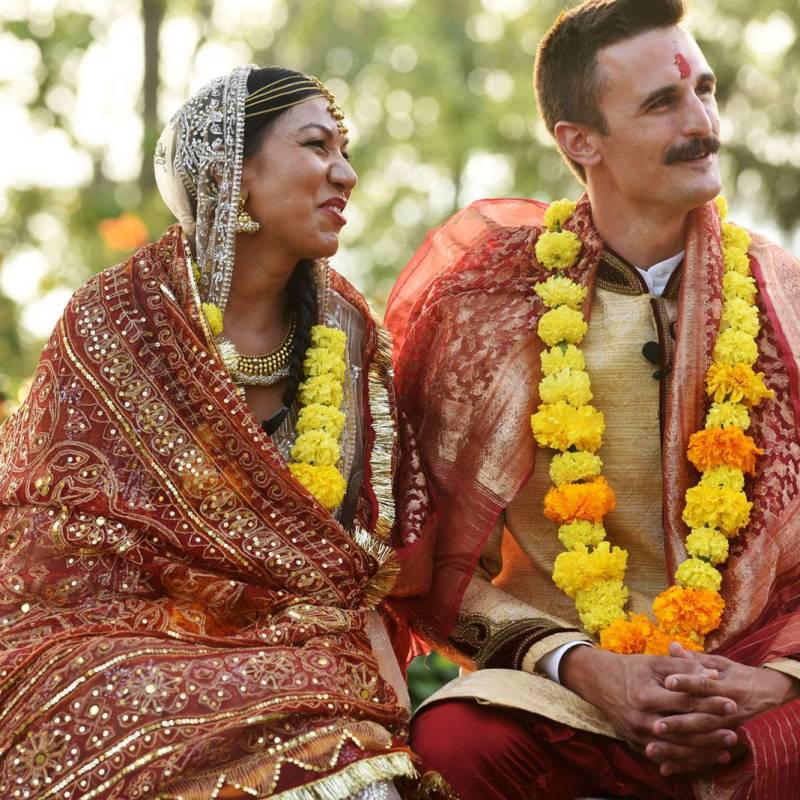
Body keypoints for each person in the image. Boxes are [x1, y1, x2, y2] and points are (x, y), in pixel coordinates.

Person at [385, 2, 800, 798]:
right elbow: (423, 556)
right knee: (456, 743)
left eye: (705, 91)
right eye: (662, 103)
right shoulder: (489, 304)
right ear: (580, 141)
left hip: (749, 682)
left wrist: (779, 679)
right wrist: (580, 664)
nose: (702, 122)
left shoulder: (784, 299)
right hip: (568, 692)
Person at [0, 66, 450, 800]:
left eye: (346, 150)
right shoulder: (116, 318)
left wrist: (384, 681)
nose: (348, 174)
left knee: (335, 733)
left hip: (303, 645)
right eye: (317, 146)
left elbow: (359, 556)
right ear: (233, 173)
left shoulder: (348, 331)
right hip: (119, 638)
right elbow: (53, 534)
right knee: (111, 696)